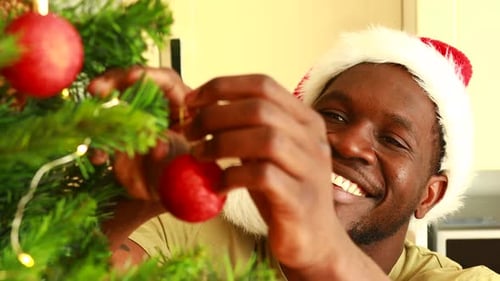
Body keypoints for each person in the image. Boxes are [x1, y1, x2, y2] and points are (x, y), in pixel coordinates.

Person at [91, 26, 500, 280]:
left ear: (430, 194)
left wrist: (324, 255)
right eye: (333, 115)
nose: (348, 143)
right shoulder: (194, 231)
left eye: (393, 140)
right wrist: (133, 200)